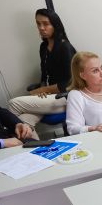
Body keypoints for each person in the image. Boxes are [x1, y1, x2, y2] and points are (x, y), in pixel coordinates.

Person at [7, 9, 76, 138]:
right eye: (38, 24)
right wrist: (43, 88)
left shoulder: (65, 47)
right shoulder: (43, 47)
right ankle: (37, 150)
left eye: (46, 24)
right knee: (23, 119)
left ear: (55, 25)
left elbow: (69, 82)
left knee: (13, 103)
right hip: (49, 96)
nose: (41, 28)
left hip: (65, 97)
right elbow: (44, 74)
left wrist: (43, 89)